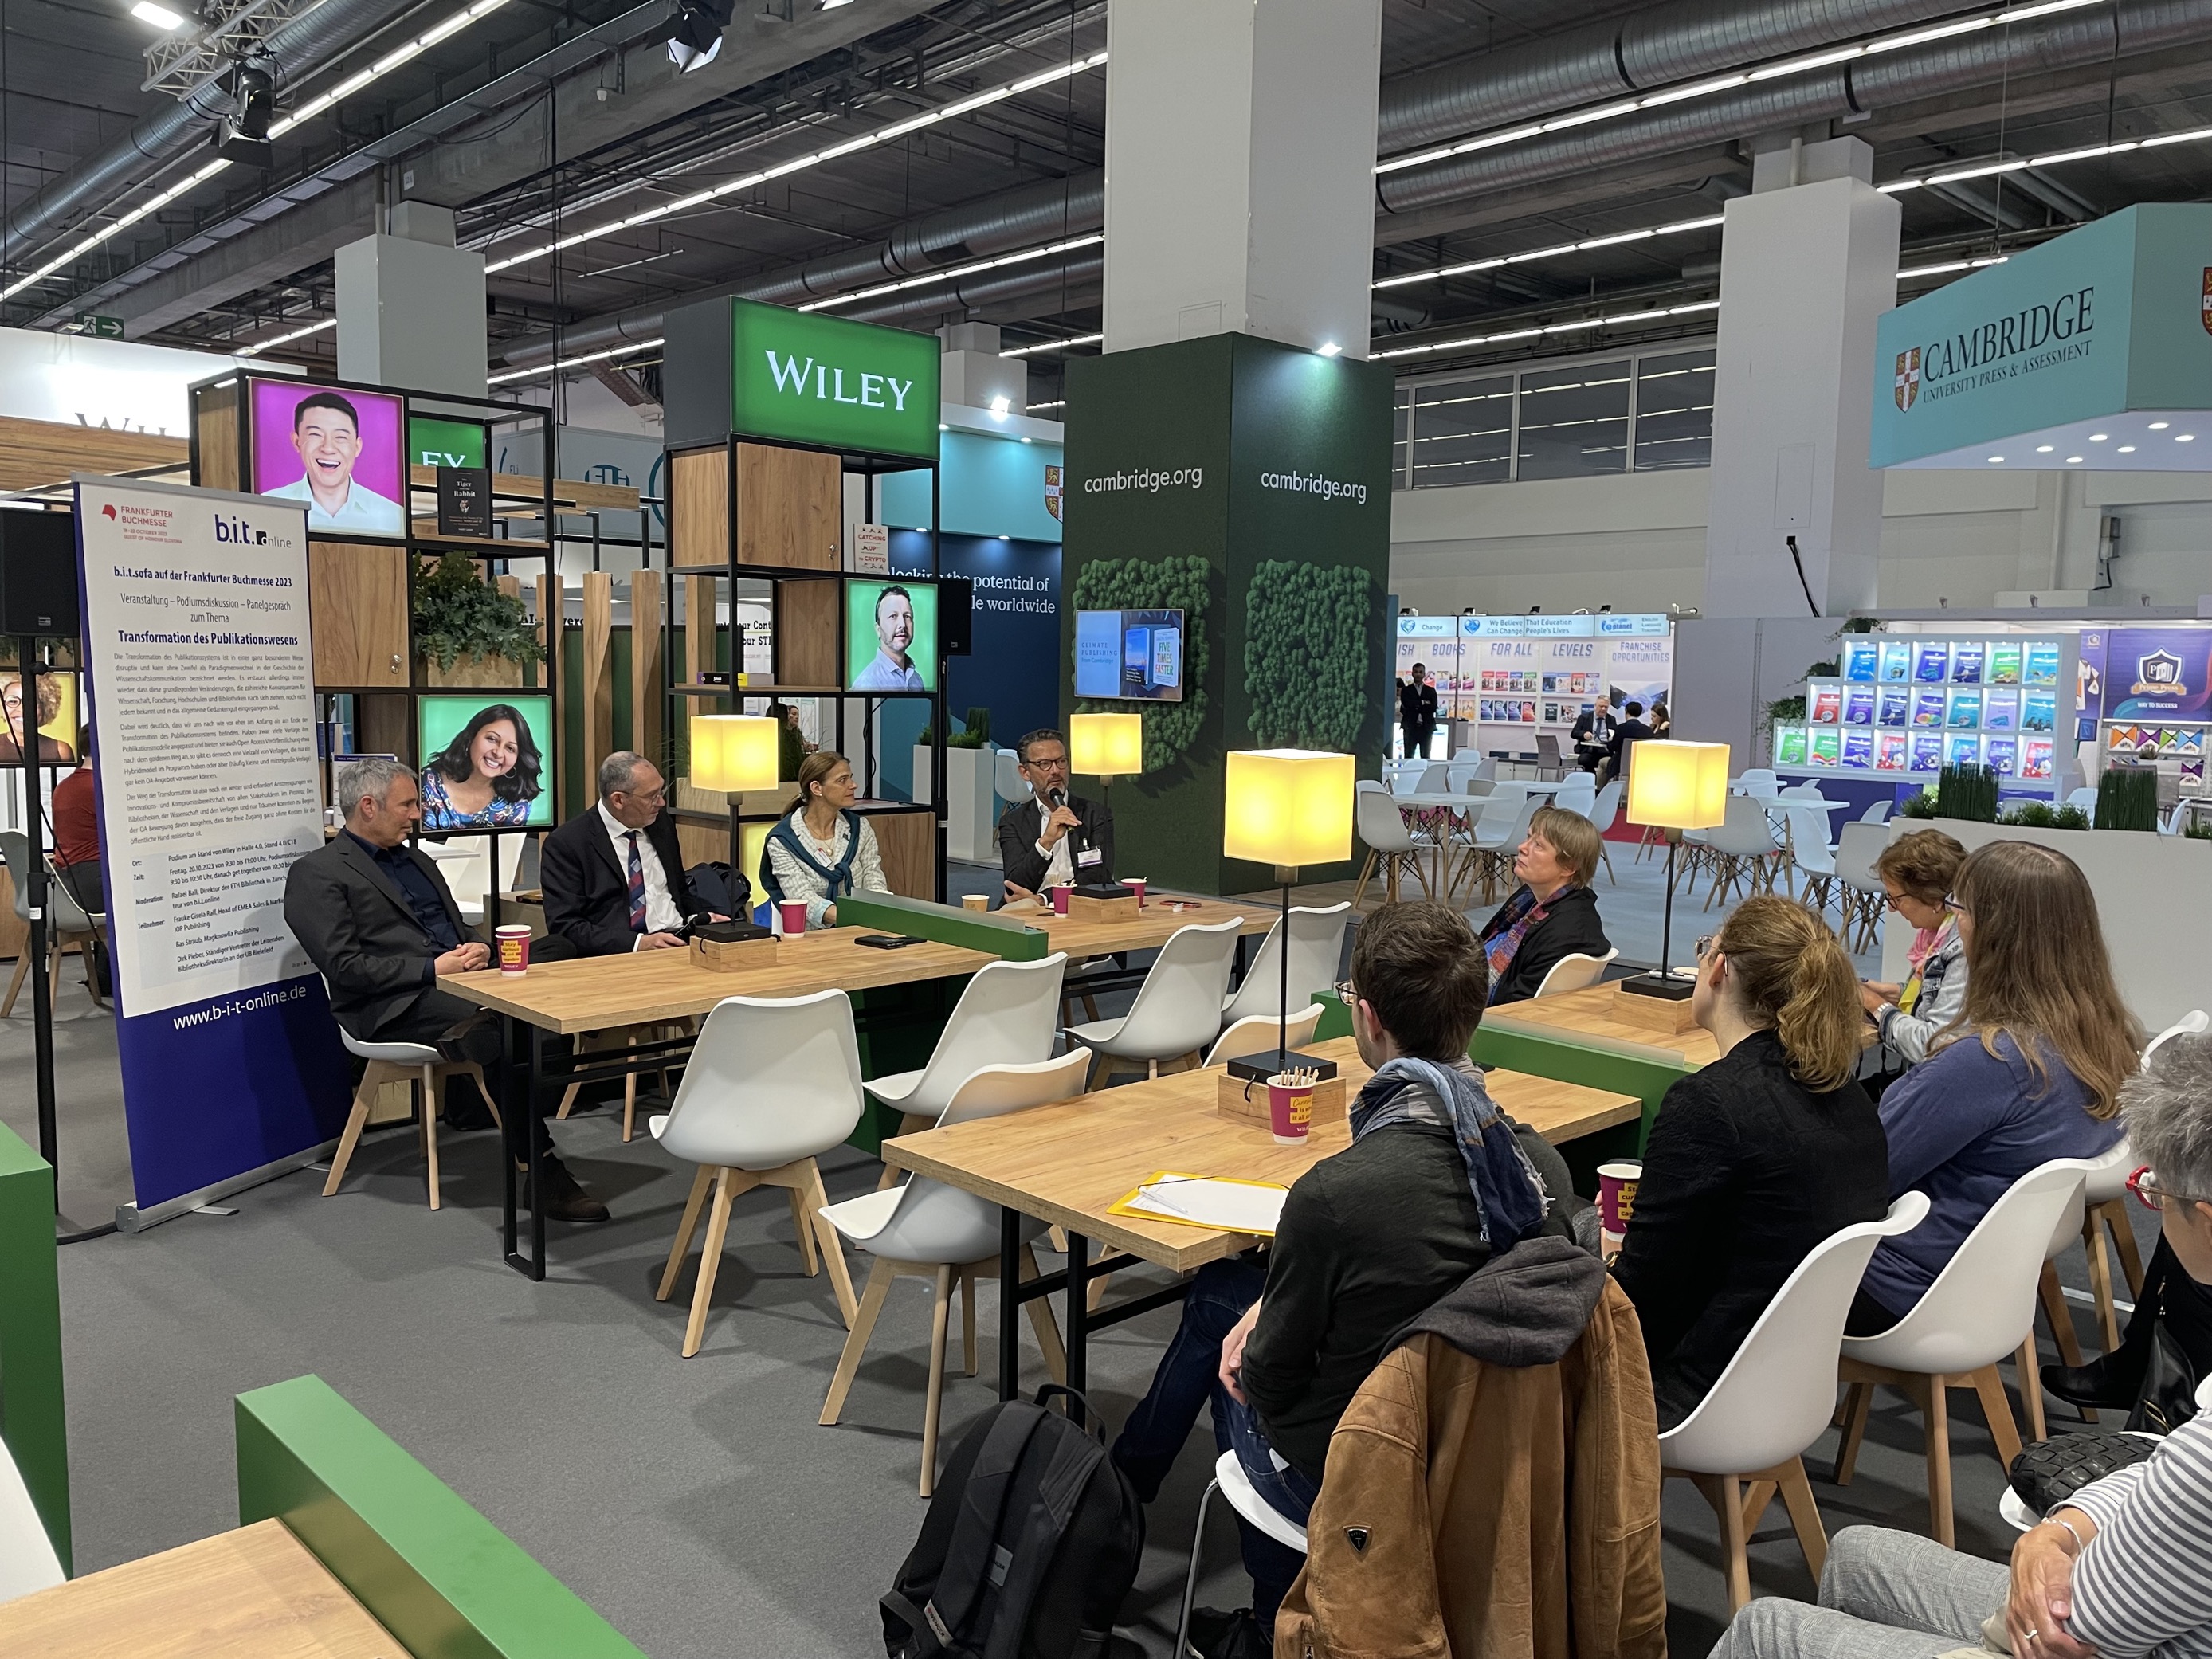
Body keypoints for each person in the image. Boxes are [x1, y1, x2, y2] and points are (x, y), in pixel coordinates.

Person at [1110, 900, 1569, 1653]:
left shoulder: (1337, 1195)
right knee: (1228, 1300)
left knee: (1229, 1345)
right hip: (1483, 1462)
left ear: (1371, 1021)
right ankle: (1130, 1492)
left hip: (1367, 1465)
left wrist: (1266, 1323)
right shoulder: (1534, 1169)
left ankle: (1270, 1622)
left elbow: (1275, 1383)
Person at [1709, 1029, 2212, 1659]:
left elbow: (2072, 1629)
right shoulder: (2080, 1042)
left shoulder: (1992, 1063)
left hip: (2089, 1636)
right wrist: (2058, 1531)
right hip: (1973, 1307)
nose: (2152, 1202)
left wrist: (2054, 1554)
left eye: (2155, 1192)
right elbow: (2159, 1472)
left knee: (1766, 1629)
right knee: (1856, 1552)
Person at [284, 758, 605, 1222]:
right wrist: (431, 969)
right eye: (408, 805)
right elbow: (345, 967)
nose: (418, 815)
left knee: (561, 947)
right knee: (512, 1028)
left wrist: (474, 950)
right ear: (368, 807)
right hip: (395, 1002)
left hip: (459, 977)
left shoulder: (417, 860)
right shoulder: (318, 873)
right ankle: (541, 1165)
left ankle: (491, 1019)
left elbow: (455, 929)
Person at [1610, 898, 1888, 1426]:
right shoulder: (1847, 1095)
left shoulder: (1710, 1102)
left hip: (1691, 1383)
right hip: (1791, 1380)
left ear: (1720, 969)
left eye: (1704, 950)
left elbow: (1641, 1300)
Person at [1852, 841, 2140, 1335]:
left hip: (1899, 1285)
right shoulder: (2106, 1036)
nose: (1952, 920)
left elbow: (1862, 1178)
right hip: (1991, 1282)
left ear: (1991, 931)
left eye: (1958, 908)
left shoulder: (1990, 1062)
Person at [542, 752, 720, 956]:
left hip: (679, 942)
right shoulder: (567, 844)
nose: (661, 803)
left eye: (662, 791)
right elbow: (566, 927)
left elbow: (679, 890)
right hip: (619, 954)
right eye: (652, 797)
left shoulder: (660, 824)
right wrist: (640, 943)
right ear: (618, 800)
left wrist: (698, 918)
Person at [1476, 806, 1611, 1005]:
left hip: (1485, 1018)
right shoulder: (1530, 897)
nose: (1522, 847)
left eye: (1538, 845)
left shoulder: (1571, 930)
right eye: (1528, 837)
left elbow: (1517, 1003)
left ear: (1569, 867)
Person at [1857, 828, 1968, 1065]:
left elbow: (1933, 1046)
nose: (1891, 909)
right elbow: (1937, 996)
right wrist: (1891, 992)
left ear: (1935, 899)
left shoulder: (1961, 949)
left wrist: (1875, 1004)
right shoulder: (1938, 935)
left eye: (1897, 899)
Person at [762, 751, 886, 928]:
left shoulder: (860, 828)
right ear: (816, 788)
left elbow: (873, 878)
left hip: (862, 929)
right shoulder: (782, 840)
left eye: (850, 778)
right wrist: (854, 918)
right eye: (842, 780)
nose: (853, 785)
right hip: (810, 936)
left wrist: (883, 914)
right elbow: (802, 897)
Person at [996, 728, 1115, 903]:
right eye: (1044, 764)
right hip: (1026, 909)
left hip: (1079, 906)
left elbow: (1099, 877)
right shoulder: (1013, 823)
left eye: (1061, 762)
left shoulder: (1094, 814)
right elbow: (1014, 885)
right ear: (1025, 772)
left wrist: (1044, 898)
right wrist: (1046, 843)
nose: (1055, 771)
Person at [262, 390, 404, 535]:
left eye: (340, 437)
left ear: (357, 447)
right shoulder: (268, 507)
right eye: (315, 435)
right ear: (297, 442)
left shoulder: (393, 517)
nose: (328, 448)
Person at [418, 704, 544, 829]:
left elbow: (508, 847)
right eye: (492, 739)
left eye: (510, 748)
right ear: (470, 738)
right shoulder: (428, 782)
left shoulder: (518, 799)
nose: (498, 753)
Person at [50, 732, 107, 997]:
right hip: (90, 885)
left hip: (66, 885)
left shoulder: (65, 785)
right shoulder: (99, 787)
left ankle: (107, 979)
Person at [850, 585, 925, 691]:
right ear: (878, 629)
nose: (902, 624)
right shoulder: (867, 683)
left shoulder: (916, 679)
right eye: (893, 616)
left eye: (907, 616)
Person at [0, 672, 72, 763]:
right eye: (13, 701)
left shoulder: (61, 750)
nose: (22, 709)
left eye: (31, 701)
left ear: (46, 707)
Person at [1599, 698, 1653, 786]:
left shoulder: (1621, 728)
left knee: (1602, 762)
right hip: (1641, 764)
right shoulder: (1648, 730)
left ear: (1626, 711)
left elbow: (1614, 747)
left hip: (1621, 764)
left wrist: (1609, 742)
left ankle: (1601, 792)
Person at [1398, 662, 1437, 761]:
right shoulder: (1406, 690)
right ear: (1412, 673)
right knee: (1408, 756)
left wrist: (1416, 705)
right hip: (1410, 728)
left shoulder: (1431, 691)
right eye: (1416, 672)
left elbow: (1433, 707)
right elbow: (1407, 705)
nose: (1418, 674)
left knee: (1426, 757)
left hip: (1426, 728)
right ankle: (1407, 776)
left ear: (1424, 674)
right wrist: (1423, 702)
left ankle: (1425, 776)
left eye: (1420, 672)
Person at [1569, 696, 1618, 772]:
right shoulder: (1584, 717)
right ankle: (1593, 779)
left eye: (1606, 707)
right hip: (1588, 750)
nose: (1603, 709)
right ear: (1595, 706)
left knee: (1613, 762)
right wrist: (1584, 734)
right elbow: (1574, 733)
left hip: (1605, 751)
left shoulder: (1611, 719)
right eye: (1601, 706)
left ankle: (1602, 782)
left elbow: (1615, 735)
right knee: (1584, 760)